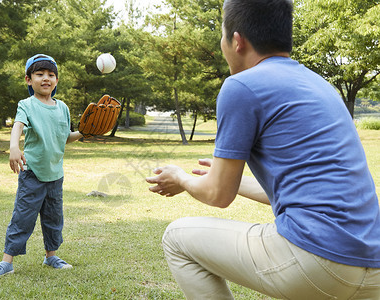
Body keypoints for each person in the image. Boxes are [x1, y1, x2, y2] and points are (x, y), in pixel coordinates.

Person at [146, 0, 380, 299]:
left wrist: (180, 177)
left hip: (317, 260)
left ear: (237, 40)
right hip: (372, 264)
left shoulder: (242, 86)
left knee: (177, 237)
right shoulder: (319, 85)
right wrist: (231, 180)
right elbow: (303, 190)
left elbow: (218, 195)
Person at [0, 54, 83, 277]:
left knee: (54, 219)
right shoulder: (26, 105)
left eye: (51, 75)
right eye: (39, 74)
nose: (46, 78)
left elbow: (65, 137)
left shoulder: (63, 108)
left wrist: (85, 133)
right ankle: (7, 262)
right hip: (33, 173)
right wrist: (14, 147)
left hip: (55, 174)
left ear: (56, 80)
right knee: (23, 217)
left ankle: (51, 256)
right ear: (29, 80)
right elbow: (18, 125)